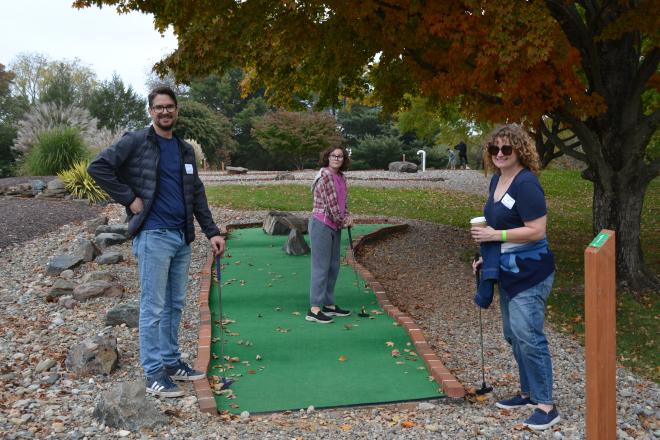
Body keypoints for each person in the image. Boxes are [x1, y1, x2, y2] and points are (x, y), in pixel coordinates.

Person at [88, 86, 225, 398]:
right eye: (159, 107)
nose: (165, 112)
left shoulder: (184, 149)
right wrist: (129, 198)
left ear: (176, 110)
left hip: (181, 237)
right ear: (150, 111)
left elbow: (197, 193)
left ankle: (171, 361)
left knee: (175, 304)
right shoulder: (136, 141)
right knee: (153, 307)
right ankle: (153, 373)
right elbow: (98, 167)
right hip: (153, 235)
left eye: (170, 107)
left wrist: (212, 231)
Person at [470, 124, 558, 431]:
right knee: (513, 334)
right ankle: (527, 392)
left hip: (531, 271)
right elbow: (498, 227)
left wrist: (497, 234)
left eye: (506, 149)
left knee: (529, 335)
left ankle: (546, 405)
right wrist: (487, 256)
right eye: (494, 149)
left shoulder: (526, 183)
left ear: (520, 150)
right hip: (507, 269)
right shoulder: (497, 179)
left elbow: (537, 231)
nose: (499, 154)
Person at [307, 146, 354, 323]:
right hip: (322, 223)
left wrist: (348, 216)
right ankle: (314, 308)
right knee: (321, 267)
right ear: (327, 157)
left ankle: (328, 304)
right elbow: (331, 204)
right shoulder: (324, 175)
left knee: (334, 265)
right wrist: (343, 221)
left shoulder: (341, 177)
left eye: (340, 156)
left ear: (344, 159)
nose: (336, 158)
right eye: (333, 155)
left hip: (335, 225)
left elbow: (343, 202)